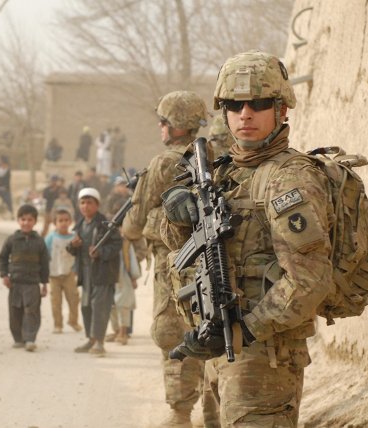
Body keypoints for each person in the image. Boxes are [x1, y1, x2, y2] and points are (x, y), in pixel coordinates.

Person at [161, 50, 333, 427]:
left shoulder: (289, 179)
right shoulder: (225, 174)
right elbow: (181, 248)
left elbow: (309, 280)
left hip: (263, 358)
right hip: (225, 350)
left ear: (281, 109)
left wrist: (247, 329)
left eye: (259, 103)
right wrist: (176, 213)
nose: (245, 114)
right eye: (234, 105)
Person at [122, 90, 209, 427]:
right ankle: (213, 412)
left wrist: (135, 222)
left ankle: (180, 413)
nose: (160, 126)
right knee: (209, 329)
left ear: (177, 124)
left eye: (164, 120)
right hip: (210, 259)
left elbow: (134, 222)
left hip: (172, 263)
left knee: (172, 331)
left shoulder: (163, 163)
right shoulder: (214, 155)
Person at [67, 188, 122, 357]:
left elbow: (116, 245)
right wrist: (72, 246)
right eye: (82, 202)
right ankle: (91, 340)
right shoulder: (79, 225)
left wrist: (100, 252)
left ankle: (99, 342)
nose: (85, 206)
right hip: (85, 273)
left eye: (89, 202)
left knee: (100, 307)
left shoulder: (106, 225)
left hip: (102, 273)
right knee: (86, 307)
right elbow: (73, 249)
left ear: (97, 205)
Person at [0, 204, 49, 352]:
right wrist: (4, 275)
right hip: (15, 283)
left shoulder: (39, 241)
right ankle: (18, 338)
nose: (26, 223)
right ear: (18, 220)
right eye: (23, 219)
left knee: (31, 311)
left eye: (30, 220)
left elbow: (44, 263)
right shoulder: (12, 240)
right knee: (15, 311)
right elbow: (2, 258)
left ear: (35, 221)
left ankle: (30, 338)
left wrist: (44, 283)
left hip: (32, 283)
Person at [44, 209, 82, 334]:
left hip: (69, 274)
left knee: (74, 299)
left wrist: (77, 270)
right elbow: (44, 255)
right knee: (56, 301)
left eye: (66, 220)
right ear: (55, 223)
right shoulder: (50, 238)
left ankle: (73, 321)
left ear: (71, 222)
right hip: (54, 274)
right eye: (60, 221)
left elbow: (78, 255)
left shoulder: (74, 237)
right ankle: (58, 324)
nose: (64, 223)